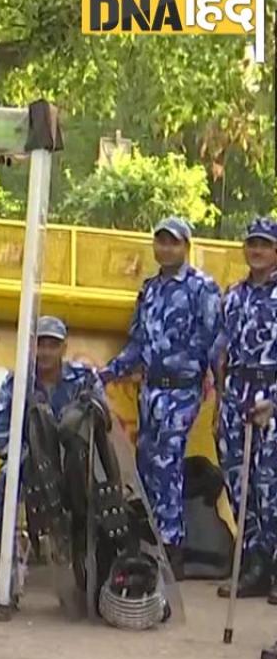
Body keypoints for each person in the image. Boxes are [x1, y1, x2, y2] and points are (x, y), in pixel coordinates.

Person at [99, 216, 221, 577]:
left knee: (167, 465)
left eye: (174, 242)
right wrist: (107, 372)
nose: (166, 248)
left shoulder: (203, 288)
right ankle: (151, 542)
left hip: (181, 391)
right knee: (147, 466)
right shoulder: (150, 289)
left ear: (186, 246)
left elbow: (213, 342)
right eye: (161, 241)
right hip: (150, 390)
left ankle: (172, 546)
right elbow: (137, 343)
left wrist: (222, 394)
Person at [0, 315, 107, 592]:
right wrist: (27, 458)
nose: (46, 352)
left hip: (74, 463)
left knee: (100, 484)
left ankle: (90, 557)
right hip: (33, 464)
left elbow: (104, 423)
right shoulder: (18, 382)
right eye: (41, 345)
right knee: (8, 476)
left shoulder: (83, 379)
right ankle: (1, 560)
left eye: (53, 345)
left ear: (64, 348)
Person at [215, 217, 277, 600]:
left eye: (265, 245)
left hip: (271, 390)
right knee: (240, 483)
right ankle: (253, 562)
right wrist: (221, 394)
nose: (256, 251)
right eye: (252, 244)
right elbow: (221, 347)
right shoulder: (234, 295)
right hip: (236, 391)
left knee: (271, 484)